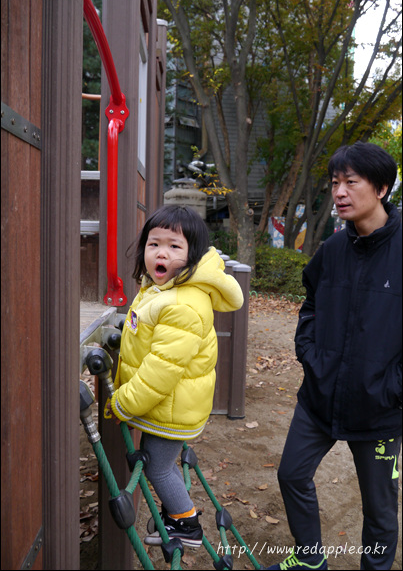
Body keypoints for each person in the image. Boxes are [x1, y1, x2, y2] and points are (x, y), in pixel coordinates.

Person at [265, 142, 402, 571]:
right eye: (335, 182)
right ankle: (309, 559)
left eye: (351, 182)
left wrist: (394, 387)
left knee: (379, 509)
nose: (339, 192)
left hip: (380, 408)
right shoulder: (333, 248)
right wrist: (309, 352)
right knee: (291, 474)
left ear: (381, 188)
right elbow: (310, 303)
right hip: (320, 395)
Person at [105, 204, 244, 547]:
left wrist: (122, 403)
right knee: (161, 462)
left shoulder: (182, 303)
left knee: (157, 467)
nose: (161, 253)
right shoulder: (161, 289)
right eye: (154, 244)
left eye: (174, 246)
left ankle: (186, 523)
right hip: (171, 404)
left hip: (172, 407)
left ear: (192, 255)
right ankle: (176, 515)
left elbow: (160, 371)